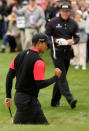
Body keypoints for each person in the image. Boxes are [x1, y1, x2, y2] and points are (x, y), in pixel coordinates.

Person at [4, 32, 62, 124]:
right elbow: (40, 84)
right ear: (39, 43)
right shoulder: (39, 62)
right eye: (46, 44)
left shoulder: (19, 55)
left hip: (19, 98)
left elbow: (9, 77)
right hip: (28, 102)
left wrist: (8, 97)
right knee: (42, 126)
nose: (47, 46)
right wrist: (56, 77)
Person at [45, 3, 80, 108]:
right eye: (63, 11)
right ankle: (70, 99)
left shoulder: (74, 23)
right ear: (60, 11)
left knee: (59, 77)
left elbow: (77, 38)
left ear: (70, 12)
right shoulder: (53, 22)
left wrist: (72, 41)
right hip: (56, 52)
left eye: (67, 11)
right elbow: (47, 36)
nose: (65, 13)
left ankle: (54, 102)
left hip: (67, 52)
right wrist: (55, 41)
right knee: (62, 76)